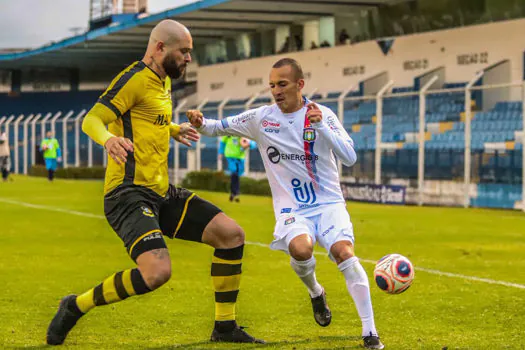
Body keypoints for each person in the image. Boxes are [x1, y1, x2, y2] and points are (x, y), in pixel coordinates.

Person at [46, 19, 264, 346]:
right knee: (156, 273)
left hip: (161, 192)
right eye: (184, 52)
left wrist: (173, 129)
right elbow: (92, 119)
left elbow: (147, 117)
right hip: (128, 194)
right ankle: (76, 305)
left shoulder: (163, 80)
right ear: (160, 48)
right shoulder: (133, 78)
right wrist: (108, 140)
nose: (189, 58)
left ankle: (224, 327)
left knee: (231, 236)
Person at [187, 57, 384, 349]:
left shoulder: (323, 114)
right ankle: (316, 292)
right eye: (272, 85)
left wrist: (322, 129)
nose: (276, 90)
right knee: (301, 249)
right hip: (293, 208)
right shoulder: (261, 118)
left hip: (328, 203)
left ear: (299, 84)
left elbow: (350, 157)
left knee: (344, 252)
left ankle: (370, 332)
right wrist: (200, 122)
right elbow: (217, 127)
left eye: (282, 84)